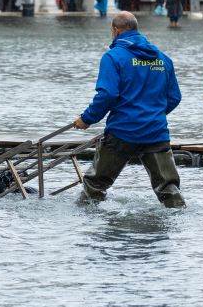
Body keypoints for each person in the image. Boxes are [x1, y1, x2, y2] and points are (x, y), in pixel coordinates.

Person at [73, 11, 184, 208]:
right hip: (155, 132)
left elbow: (107, 95)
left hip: (122, 132)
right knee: (169, 189)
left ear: (115, 31)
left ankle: (83, 222)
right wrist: (152, 114)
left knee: (94, 186)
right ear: (136, 29)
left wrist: (86, 119)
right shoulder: (163, 59)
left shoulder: (113, 57)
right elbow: (175, 97)